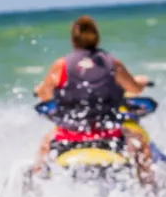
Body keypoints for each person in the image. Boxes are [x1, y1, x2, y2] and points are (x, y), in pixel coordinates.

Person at [31, 15, 154, 186]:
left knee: (45, 143)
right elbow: (134, 88)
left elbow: (45, 95)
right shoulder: (112, 63)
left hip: (70, 137)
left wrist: (40, 90)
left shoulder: (61, 65)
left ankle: (35, 191)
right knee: (140, 141)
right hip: (109, 136)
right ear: (97, 38)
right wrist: (140, 82)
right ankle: (149, 191)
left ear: (73, 40)